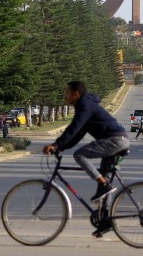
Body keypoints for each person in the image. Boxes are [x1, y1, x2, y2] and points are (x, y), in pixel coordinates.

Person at [42, 81, 130, 218]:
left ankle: (103, 183)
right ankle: (105, 219)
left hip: (114, 140)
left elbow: (73, 128)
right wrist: (61, 147)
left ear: (76, 94)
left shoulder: (84, 105)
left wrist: (57, 144)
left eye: (67, 93)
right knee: (104, 187)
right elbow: (79, 133)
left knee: (79, 155)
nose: (65, 96)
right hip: (119, 141)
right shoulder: (85, 105)